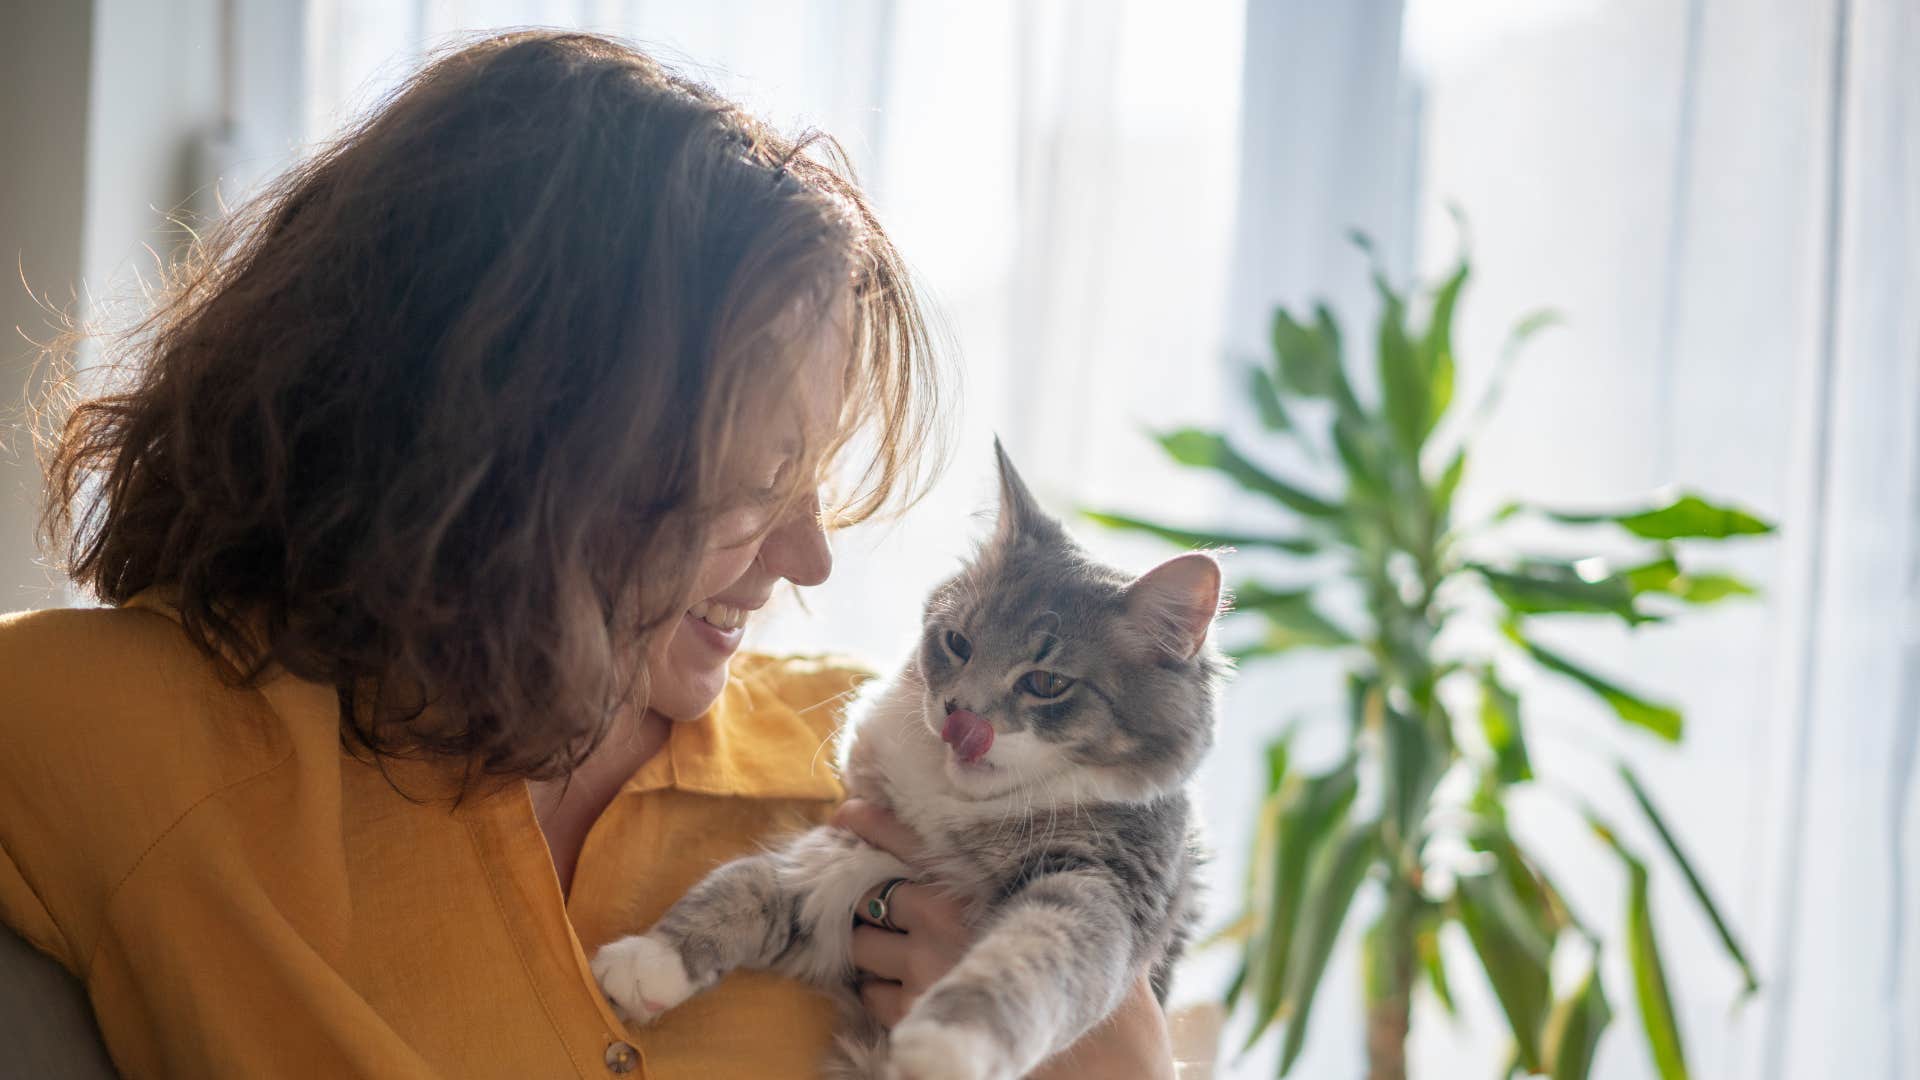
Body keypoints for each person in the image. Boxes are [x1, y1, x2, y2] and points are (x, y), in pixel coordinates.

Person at [0, 30, 1174, 1078]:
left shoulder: (887, 775)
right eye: (760, 482)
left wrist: (1113, 1058)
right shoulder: (119, 727)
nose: (810, 559)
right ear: (512, 444)